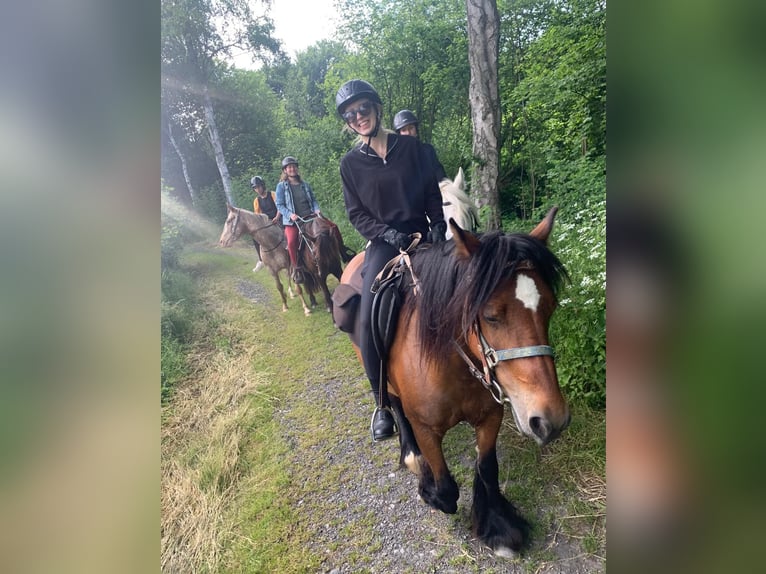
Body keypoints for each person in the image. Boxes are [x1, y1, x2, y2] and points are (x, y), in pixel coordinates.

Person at [336, 79, 447, 441]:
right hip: (384, 243)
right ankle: (382, 403)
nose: (358, 118)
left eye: (362, 110)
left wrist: (439, 225)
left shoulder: (412, 148)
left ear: (376, 108)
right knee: (369, 317)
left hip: (422, 234)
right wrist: (386, 234)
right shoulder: (350, 164)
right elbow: (356, 214)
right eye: (351, 115)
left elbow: (432, 191)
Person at [275, 156, 322, 282]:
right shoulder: (281, 186)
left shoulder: (305, 185)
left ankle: (342, 252)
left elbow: (313, 200)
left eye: (294, 166)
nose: (292, 169)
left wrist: (316, 209)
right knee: (290, 243)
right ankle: (297, 268)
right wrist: (290, 214)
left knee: (330, 228)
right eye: (289, 167)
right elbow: (279, 205)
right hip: (293, 222)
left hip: (310, 218)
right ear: (285, 170)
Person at [393, 109, 447, 183]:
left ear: (416, 130)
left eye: (411, 128)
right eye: (404, 130)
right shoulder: (396, 157)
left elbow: (439, 174)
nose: (408, 133)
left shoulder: (428, 150)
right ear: (399, 134)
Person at [250, 175, 281, 272]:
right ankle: (261, 259)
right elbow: (258, 216)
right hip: (267, 223)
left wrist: (277, 217)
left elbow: (279, 207)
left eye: (259, 186)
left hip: (278, 219)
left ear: (263, 185)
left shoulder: (272, 194)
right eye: (255, 188)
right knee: (254, 236)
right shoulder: (256, 201)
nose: (258, 189)